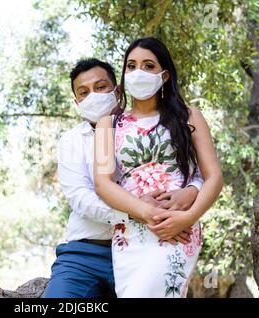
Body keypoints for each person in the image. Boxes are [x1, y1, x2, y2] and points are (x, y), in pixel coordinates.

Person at [44, 58, 204, 298]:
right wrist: (137, 213)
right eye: (83, 92)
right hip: (88, 253)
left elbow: (194, 174)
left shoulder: (156, 126)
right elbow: (81, 199)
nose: (93, 96)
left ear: (117, 90)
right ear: (77, 102)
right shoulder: (72, 142)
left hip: (151, 243)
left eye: (100, 87)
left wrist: (191, 191)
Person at [94, 38, 223, 298]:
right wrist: (145, 211)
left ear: (164, 76)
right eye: (131, 66)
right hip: (130, 232)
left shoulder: (189, 116)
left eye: (148, 66)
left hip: (178, 228)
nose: (138, 72)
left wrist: (188, 217)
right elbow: (103, 183)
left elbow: (214, 178)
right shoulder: (108, 124)